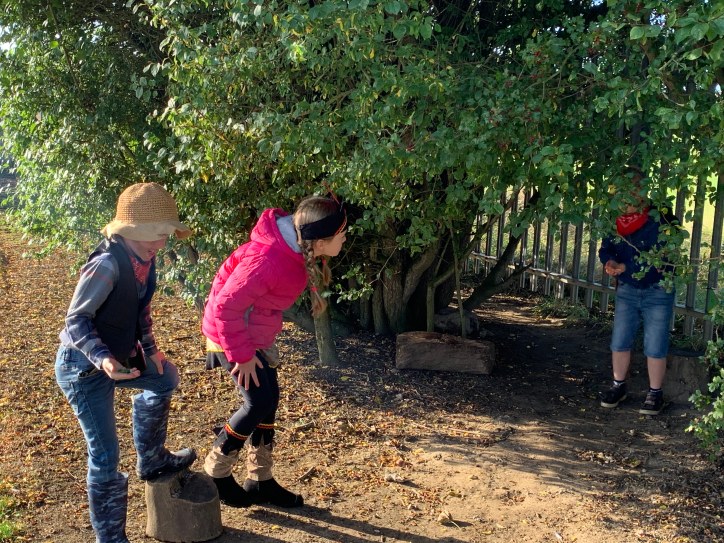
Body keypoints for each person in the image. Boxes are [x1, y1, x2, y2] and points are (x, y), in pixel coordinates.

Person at [55, 182, 197, 543]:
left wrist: (151, 351)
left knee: (165, 378)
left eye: (165, 234)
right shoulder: (106, 265)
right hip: (82, 369)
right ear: (129, 231)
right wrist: (102, 358)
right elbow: (76, 320)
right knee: (105, 455)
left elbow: (140, 312)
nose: (161, 242)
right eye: (155, 234)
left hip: (117, 359)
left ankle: (152, 459)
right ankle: (111, 538)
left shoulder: (145, 261)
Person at [201, 194, 347, 508]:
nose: (345, 238)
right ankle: (216, 470)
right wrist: (242, 357)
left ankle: (260, 480)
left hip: (253, 334)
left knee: (269, 401)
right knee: (258, 402)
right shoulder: (267, 260)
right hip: (231, 336)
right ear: (321, 241)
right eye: (341, 234)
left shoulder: (296, 249)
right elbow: (226, 307)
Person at [599, 170, 680, 416]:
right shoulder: (615, 218)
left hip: (657, 289)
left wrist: (627, 267)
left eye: (632, 190)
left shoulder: (661, 216)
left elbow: (663, 256)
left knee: (655, 343)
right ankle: (618, 385)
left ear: (643, 191)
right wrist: (610, 262)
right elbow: (606, 247)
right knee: (620, 340)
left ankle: (655, 393)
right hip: (627, 289)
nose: (626, 198)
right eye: (621, 192)